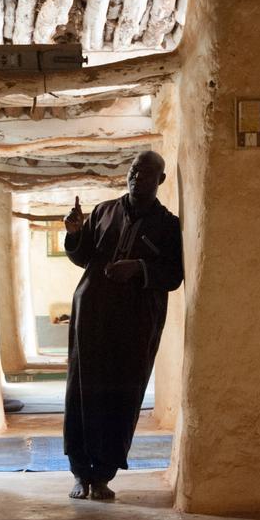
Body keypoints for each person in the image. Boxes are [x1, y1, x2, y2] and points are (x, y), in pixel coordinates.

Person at [61, 150, 184, 500]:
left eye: (146, 174)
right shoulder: (103, 211)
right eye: (133, 171)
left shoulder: (168, 225)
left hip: (135, 323)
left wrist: (139, 269)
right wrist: (73, 233)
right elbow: (84, 256)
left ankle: (103, 476)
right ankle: (79, 473)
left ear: (160, 180)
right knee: (81, 392)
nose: (136, 178)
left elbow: (174, 275)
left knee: (122, 394)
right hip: (91, 316)